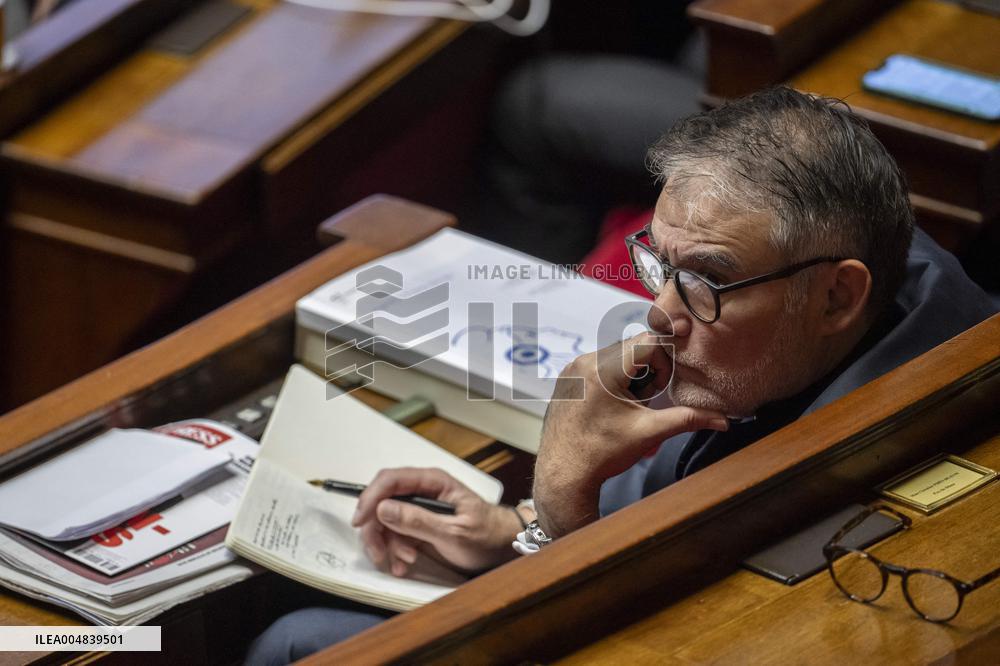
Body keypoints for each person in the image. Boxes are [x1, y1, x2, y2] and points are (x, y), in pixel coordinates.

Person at [246, 87, 997, 664]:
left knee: (295, 642)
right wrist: (515, 530)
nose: (661, 313)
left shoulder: (830, 465)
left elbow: (609, 642)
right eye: (660, 264)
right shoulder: (874, 282)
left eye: (706, 278)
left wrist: (562, 493)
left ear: (839, 294)